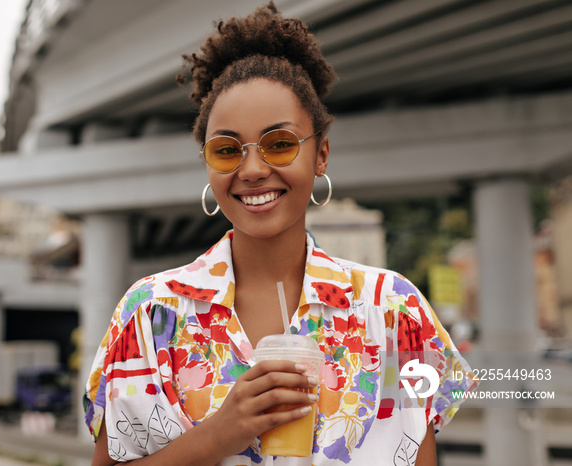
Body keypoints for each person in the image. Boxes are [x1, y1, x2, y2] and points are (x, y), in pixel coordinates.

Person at [84, 3, 476, 465]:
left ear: (321, 154)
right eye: (227, 150)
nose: (252, 169)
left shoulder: (393, 312)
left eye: (280, 144)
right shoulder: (149, 315)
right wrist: (220, 435)